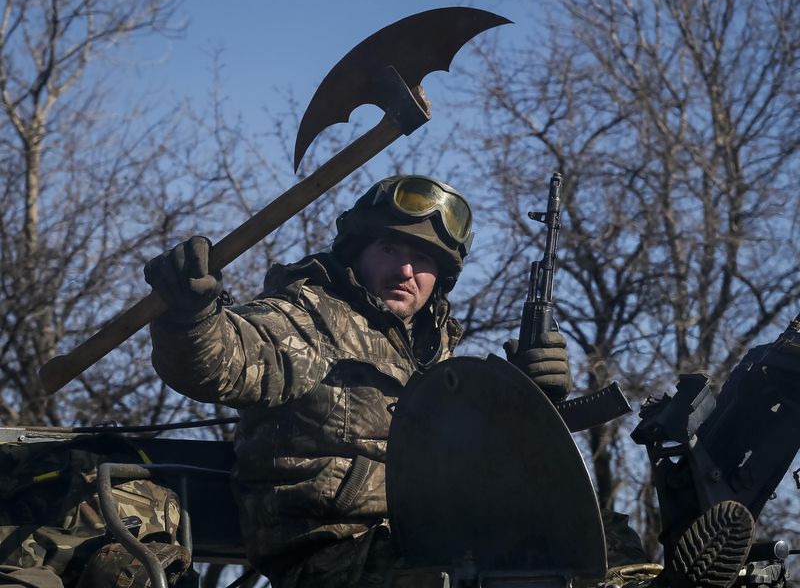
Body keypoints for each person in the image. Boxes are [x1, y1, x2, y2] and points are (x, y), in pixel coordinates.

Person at [143, 175, 629, 587]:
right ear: (359, 251)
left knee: (604, 544)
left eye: (424, 260)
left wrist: (529, 402)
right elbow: (219, 362)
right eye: (391, 247)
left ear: (441, 276)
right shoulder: (306, 319)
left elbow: (480, 476)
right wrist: (191, 317)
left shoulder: (440, 357)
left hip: (429, 542)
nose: (406, 270)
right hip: (330, 555)